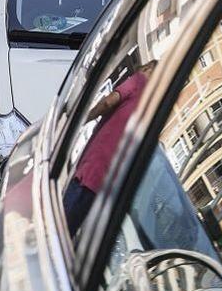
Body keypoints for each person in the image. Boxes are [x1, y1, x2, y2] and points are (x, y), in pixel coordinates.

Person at [62, 59, 158, 234]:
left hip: (93, 165)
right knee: (70, 230)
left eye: (145, 68)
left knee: (58, 223)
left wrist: (83, 119)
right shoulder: (152, 108)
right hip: (107, 180)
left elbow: (108, 102)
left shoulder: (139, 81)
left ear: (148, 68)